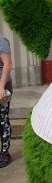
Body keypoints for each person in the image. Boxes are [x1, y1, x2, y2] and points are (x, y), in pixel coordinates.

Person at [0, 34, 13, 168]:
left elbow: (7, 64)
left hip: (1, 89)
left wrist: (1, 87)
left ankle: (5, 152)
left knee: (2, 119)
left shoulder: (1, 41)